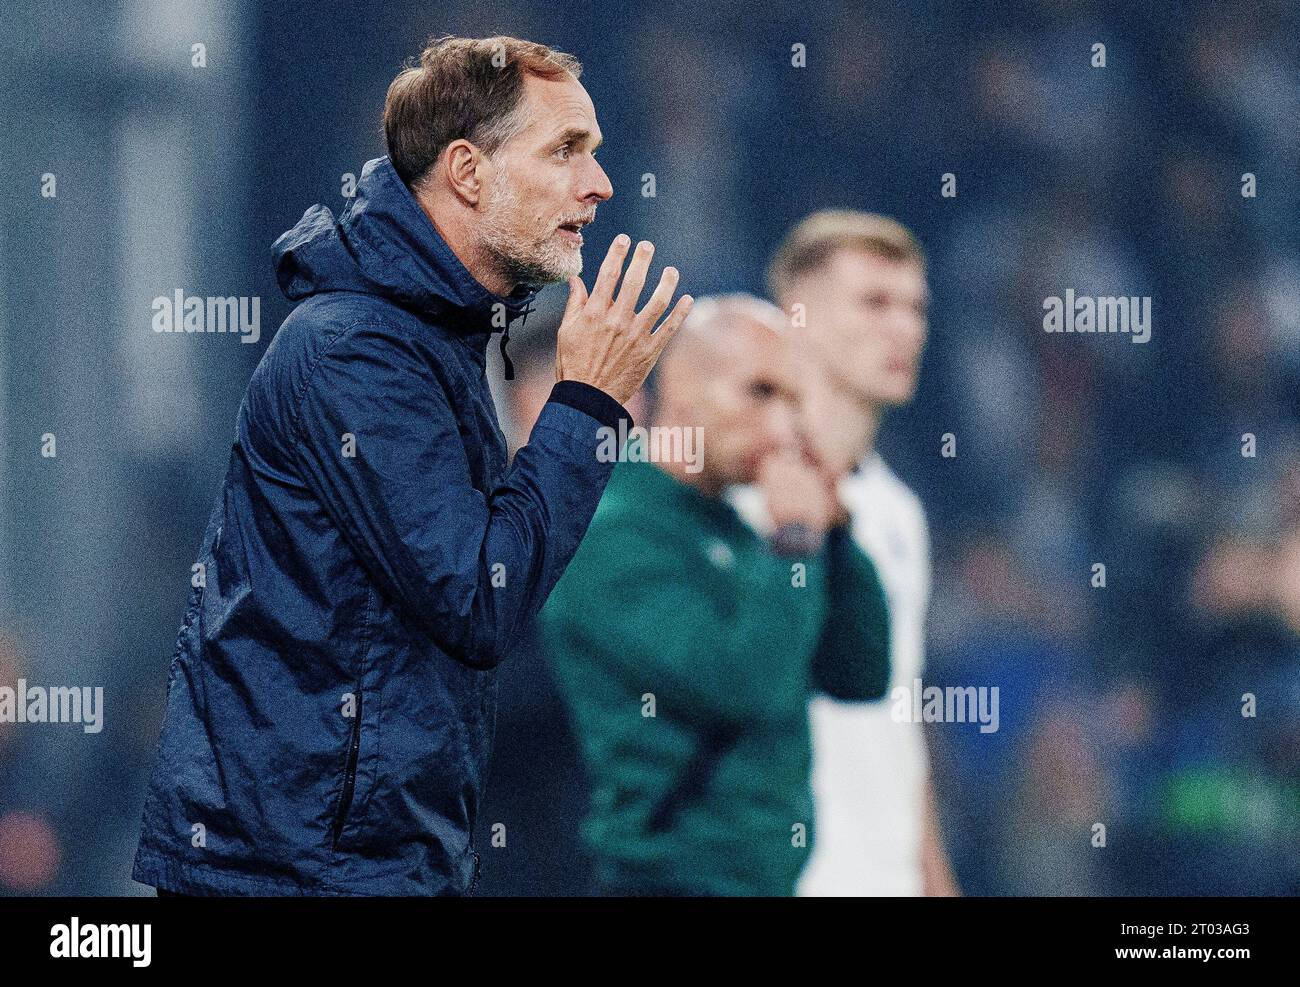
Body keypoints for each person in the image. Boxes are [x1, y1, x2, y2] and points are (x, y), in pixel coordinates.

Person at [132, 34, 693, 897]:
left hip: (359, 863)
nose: (600, 183)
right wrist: (586, 403)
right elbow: (481, 597)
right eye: (566, 150)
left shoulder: (432, 341)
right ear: (468, 172)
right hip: (296, 875)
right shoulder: (356, 350)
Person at [542, 294, 891, 896]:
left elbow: (859, 673)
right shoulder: (609, 531)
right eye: (759, 393)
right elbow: (743, 683)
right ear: (680, 387)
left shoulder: (730, 528)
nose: (784, 428)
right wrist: (795, 540)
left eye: (794, 400)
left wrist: (833, 533)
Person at [750, 210, 958, 896]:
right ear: (797, 314)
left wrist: (934, 880)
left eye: (916, 307)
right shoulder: (741, 492)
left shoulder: (900, 514)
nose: (905, 328)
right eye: (875, 302)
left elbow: (899, 715)